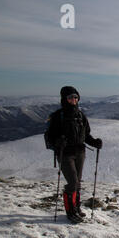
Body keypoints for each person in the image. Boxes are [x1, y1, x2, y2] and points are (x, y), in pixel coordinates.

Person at [46, 86, 102, 223]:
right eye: (71, 97)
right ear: (65, 99)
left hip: (80, 152)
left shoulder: (81, 115)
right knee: (72, 182)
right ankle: (70, 211)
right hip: (65, 154)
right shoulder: (58, 116)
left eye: (76, 97)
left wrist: (94, 142)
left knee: (77, 183)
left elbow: (85, 134)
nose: (74, 100)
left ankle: (76, 208)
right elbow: (49, 137)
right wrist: (58, 142)